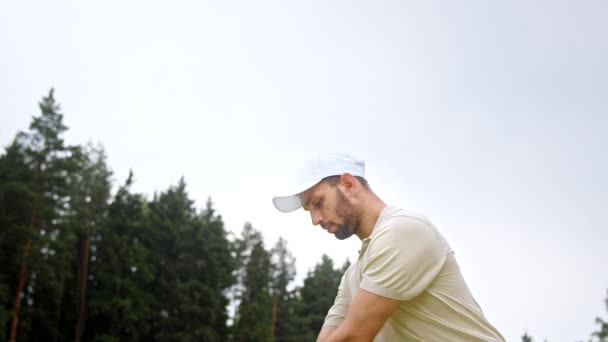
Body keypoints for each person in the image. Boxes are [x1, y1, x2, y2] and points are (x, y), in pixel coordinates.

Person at [272, 152, 505, 342]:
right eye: (309, 211)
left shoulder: (403, 231)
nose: (315, 219)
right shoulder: (353, 277)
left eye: (318, 203)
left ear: (348, 184)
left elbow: (353, 337)